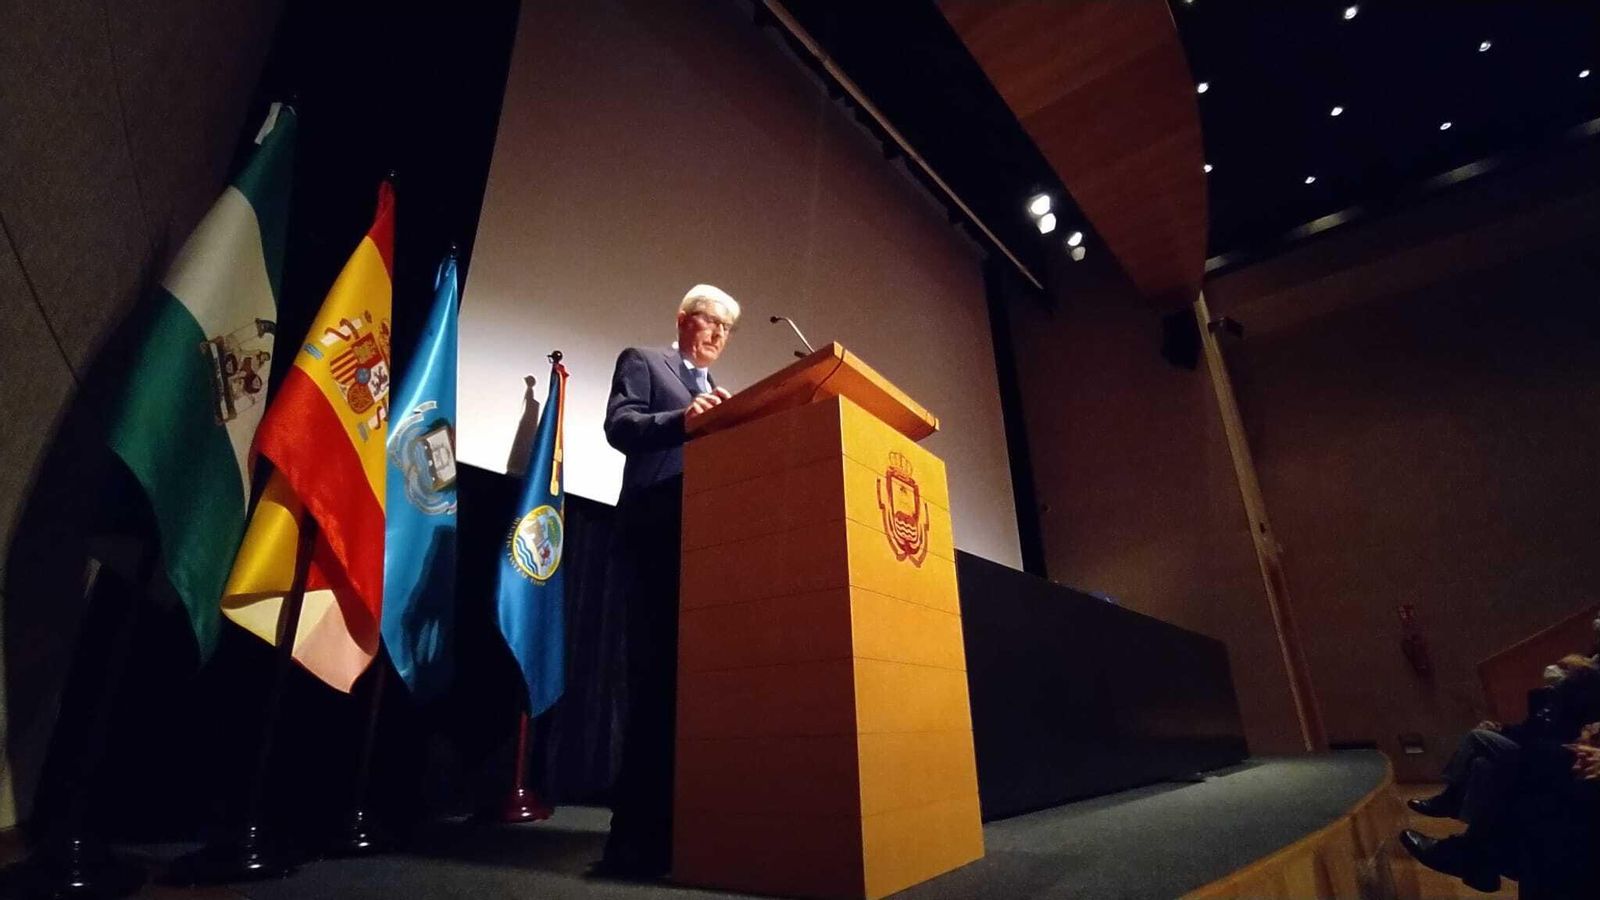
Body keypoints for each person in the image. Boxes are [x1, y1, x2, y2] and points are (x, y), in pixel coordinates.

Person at [596, 284, 739, 878]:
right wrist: (683, 417)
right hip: (656, 529)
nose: (716, 337)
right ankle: (635, 842)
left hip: (708, 539)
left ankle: (691, 829)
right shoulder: (644, 361)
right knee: (655, 681)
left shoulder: (719, 393)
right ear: (683, 320)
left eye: (726, 331)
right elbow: (620, 426)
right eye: (709, 323)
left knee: (695, 686)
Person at [1401, 653, 1600, 892]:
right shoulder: (1561, 695)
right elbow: (1537, 728)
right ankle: (1476, 856)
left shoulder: (1583, 690)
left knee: (1530, 768)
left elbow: (1550, 732)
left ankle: (1474, 854)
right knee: (1491, 767)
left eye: (1563, 669)